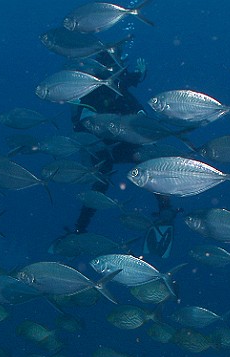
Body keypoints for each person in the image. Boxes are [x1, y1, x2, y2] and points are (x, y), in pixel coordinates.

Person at [66, 53, 176, 259]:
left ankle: (165, 210)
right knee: (101, 181)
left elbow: (142, 119)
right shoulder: (92, 93)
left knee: (149, 164)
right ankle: (81, 228)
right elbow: (83, 123)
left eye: (116, 72)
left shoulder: (123, 92)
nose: (114, 78)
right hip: (101, 148)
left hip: (123, 146)